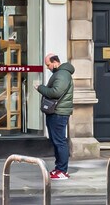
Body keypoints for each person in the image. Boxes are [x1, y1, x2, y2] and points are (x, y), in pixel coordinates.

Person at [40, 52, 75, 181]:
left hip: (58, 113)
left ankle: (62, 171)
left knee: (60, 142)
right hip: (56, 112)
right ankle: (59, 168)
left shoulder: (62, 74)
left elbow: (56, 92)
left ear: (55, 62)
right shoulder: (60, 73)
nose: (48, 67)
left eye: (48, 65)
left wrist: (40, 88)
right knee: (57, 141)